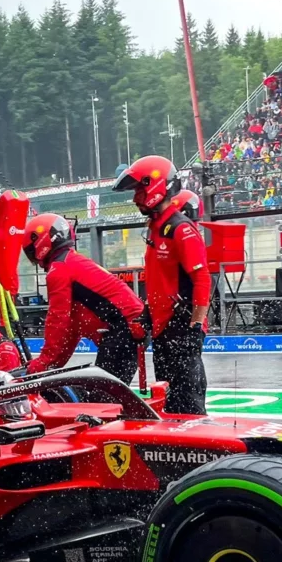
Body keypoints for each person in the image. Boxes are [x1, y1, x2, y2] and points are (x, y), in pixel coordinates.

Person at [114, 156, 209, 415]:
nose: (135, 199)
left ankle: (199, 450)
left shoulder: (181, 229)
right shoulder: (157, 228)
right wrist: (148, 312)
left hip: (181, 328)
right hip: (164, 328)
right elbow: (160, 281)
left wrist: (195, 328)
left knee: (187, 403)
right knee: (168, 400)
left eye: (139, 191)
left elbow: (202, 279)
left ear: (155, 187)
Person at [22, 212, 144, 382]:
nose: (32, 258)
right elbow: (71, 329)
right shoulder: (72, 262)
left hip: (124, 328)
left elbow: (57, 320)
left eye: (30, 252)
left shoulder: (59, 270)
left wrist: (43, 362)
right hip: (128, 327)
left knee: (102, 397)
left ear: (40, 244)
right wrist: (50, 364)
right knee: (103, 390)